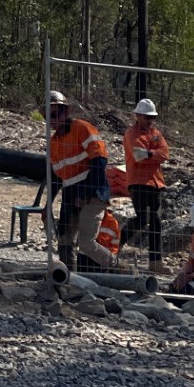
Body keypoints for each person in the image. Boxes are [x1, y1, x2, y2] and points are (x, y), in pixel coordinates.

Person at [48, 91, 115, 271]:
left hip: (93, 193)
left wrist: (85, 194)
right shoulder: (54, 142)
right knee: (65, 239)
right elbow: (55, 176)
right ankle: (69, 278)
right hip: (70, 193)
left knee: (86, 243)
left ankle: (119, 268)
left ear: (65, 112)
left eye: (56, 114)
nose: (53, 119)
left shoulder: (82, 128)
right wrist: (47, 205)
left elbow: (99, 161)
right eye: (49, 115)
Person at [120, 96, 170, 275]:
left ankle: (155, 262)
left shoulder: (155, 133)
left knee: (155, 221)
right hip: (139, 182)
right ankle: (116, 244)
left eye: (152, 117)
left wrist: (149, 154)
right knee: (142, 219)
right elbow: (138, 156)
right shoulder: (131, 134)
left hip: (155, 182)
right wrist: (152, 154)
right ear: (138, 116)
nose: (149, 121)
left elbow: (164, 153)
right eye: (147, 117)